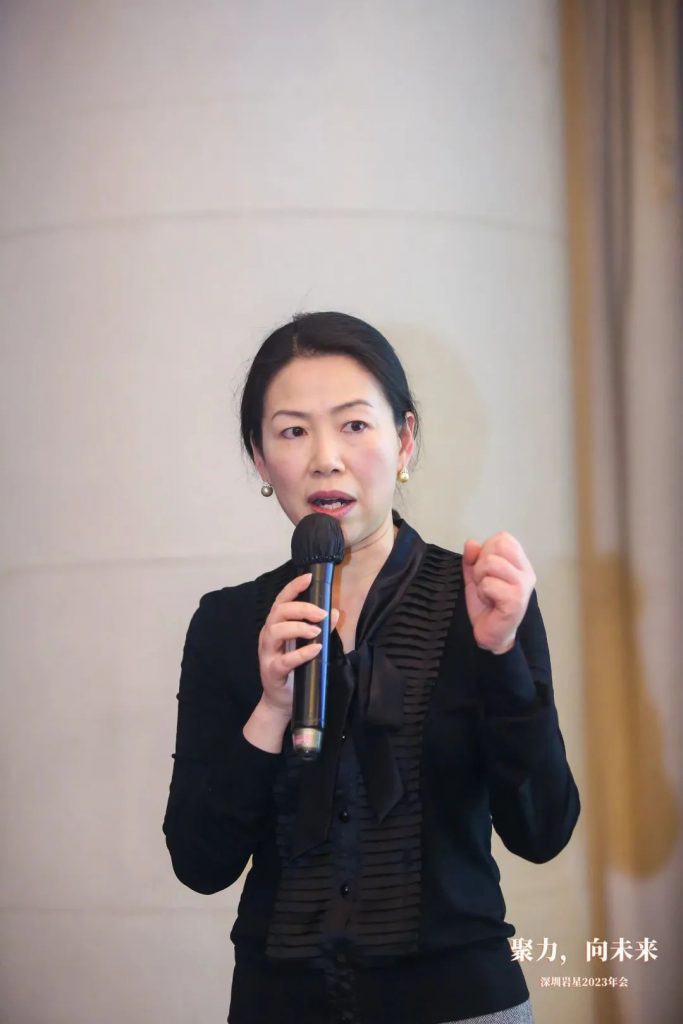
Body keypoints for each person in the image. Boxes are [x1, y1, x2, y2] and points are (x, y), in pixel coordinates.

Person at [162, 311, 581, 1024]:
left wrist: (502, 655)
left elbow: (542, 832)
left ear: (404, 439)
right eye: (292, 431)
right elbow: (200, 863)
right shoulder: (226, 623)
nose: (325, 459)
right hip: (277, 1003)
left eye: (354, 425)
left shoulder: (480, 600)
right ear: (260, 459)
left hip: (461, 1000)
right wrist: (271, 709)